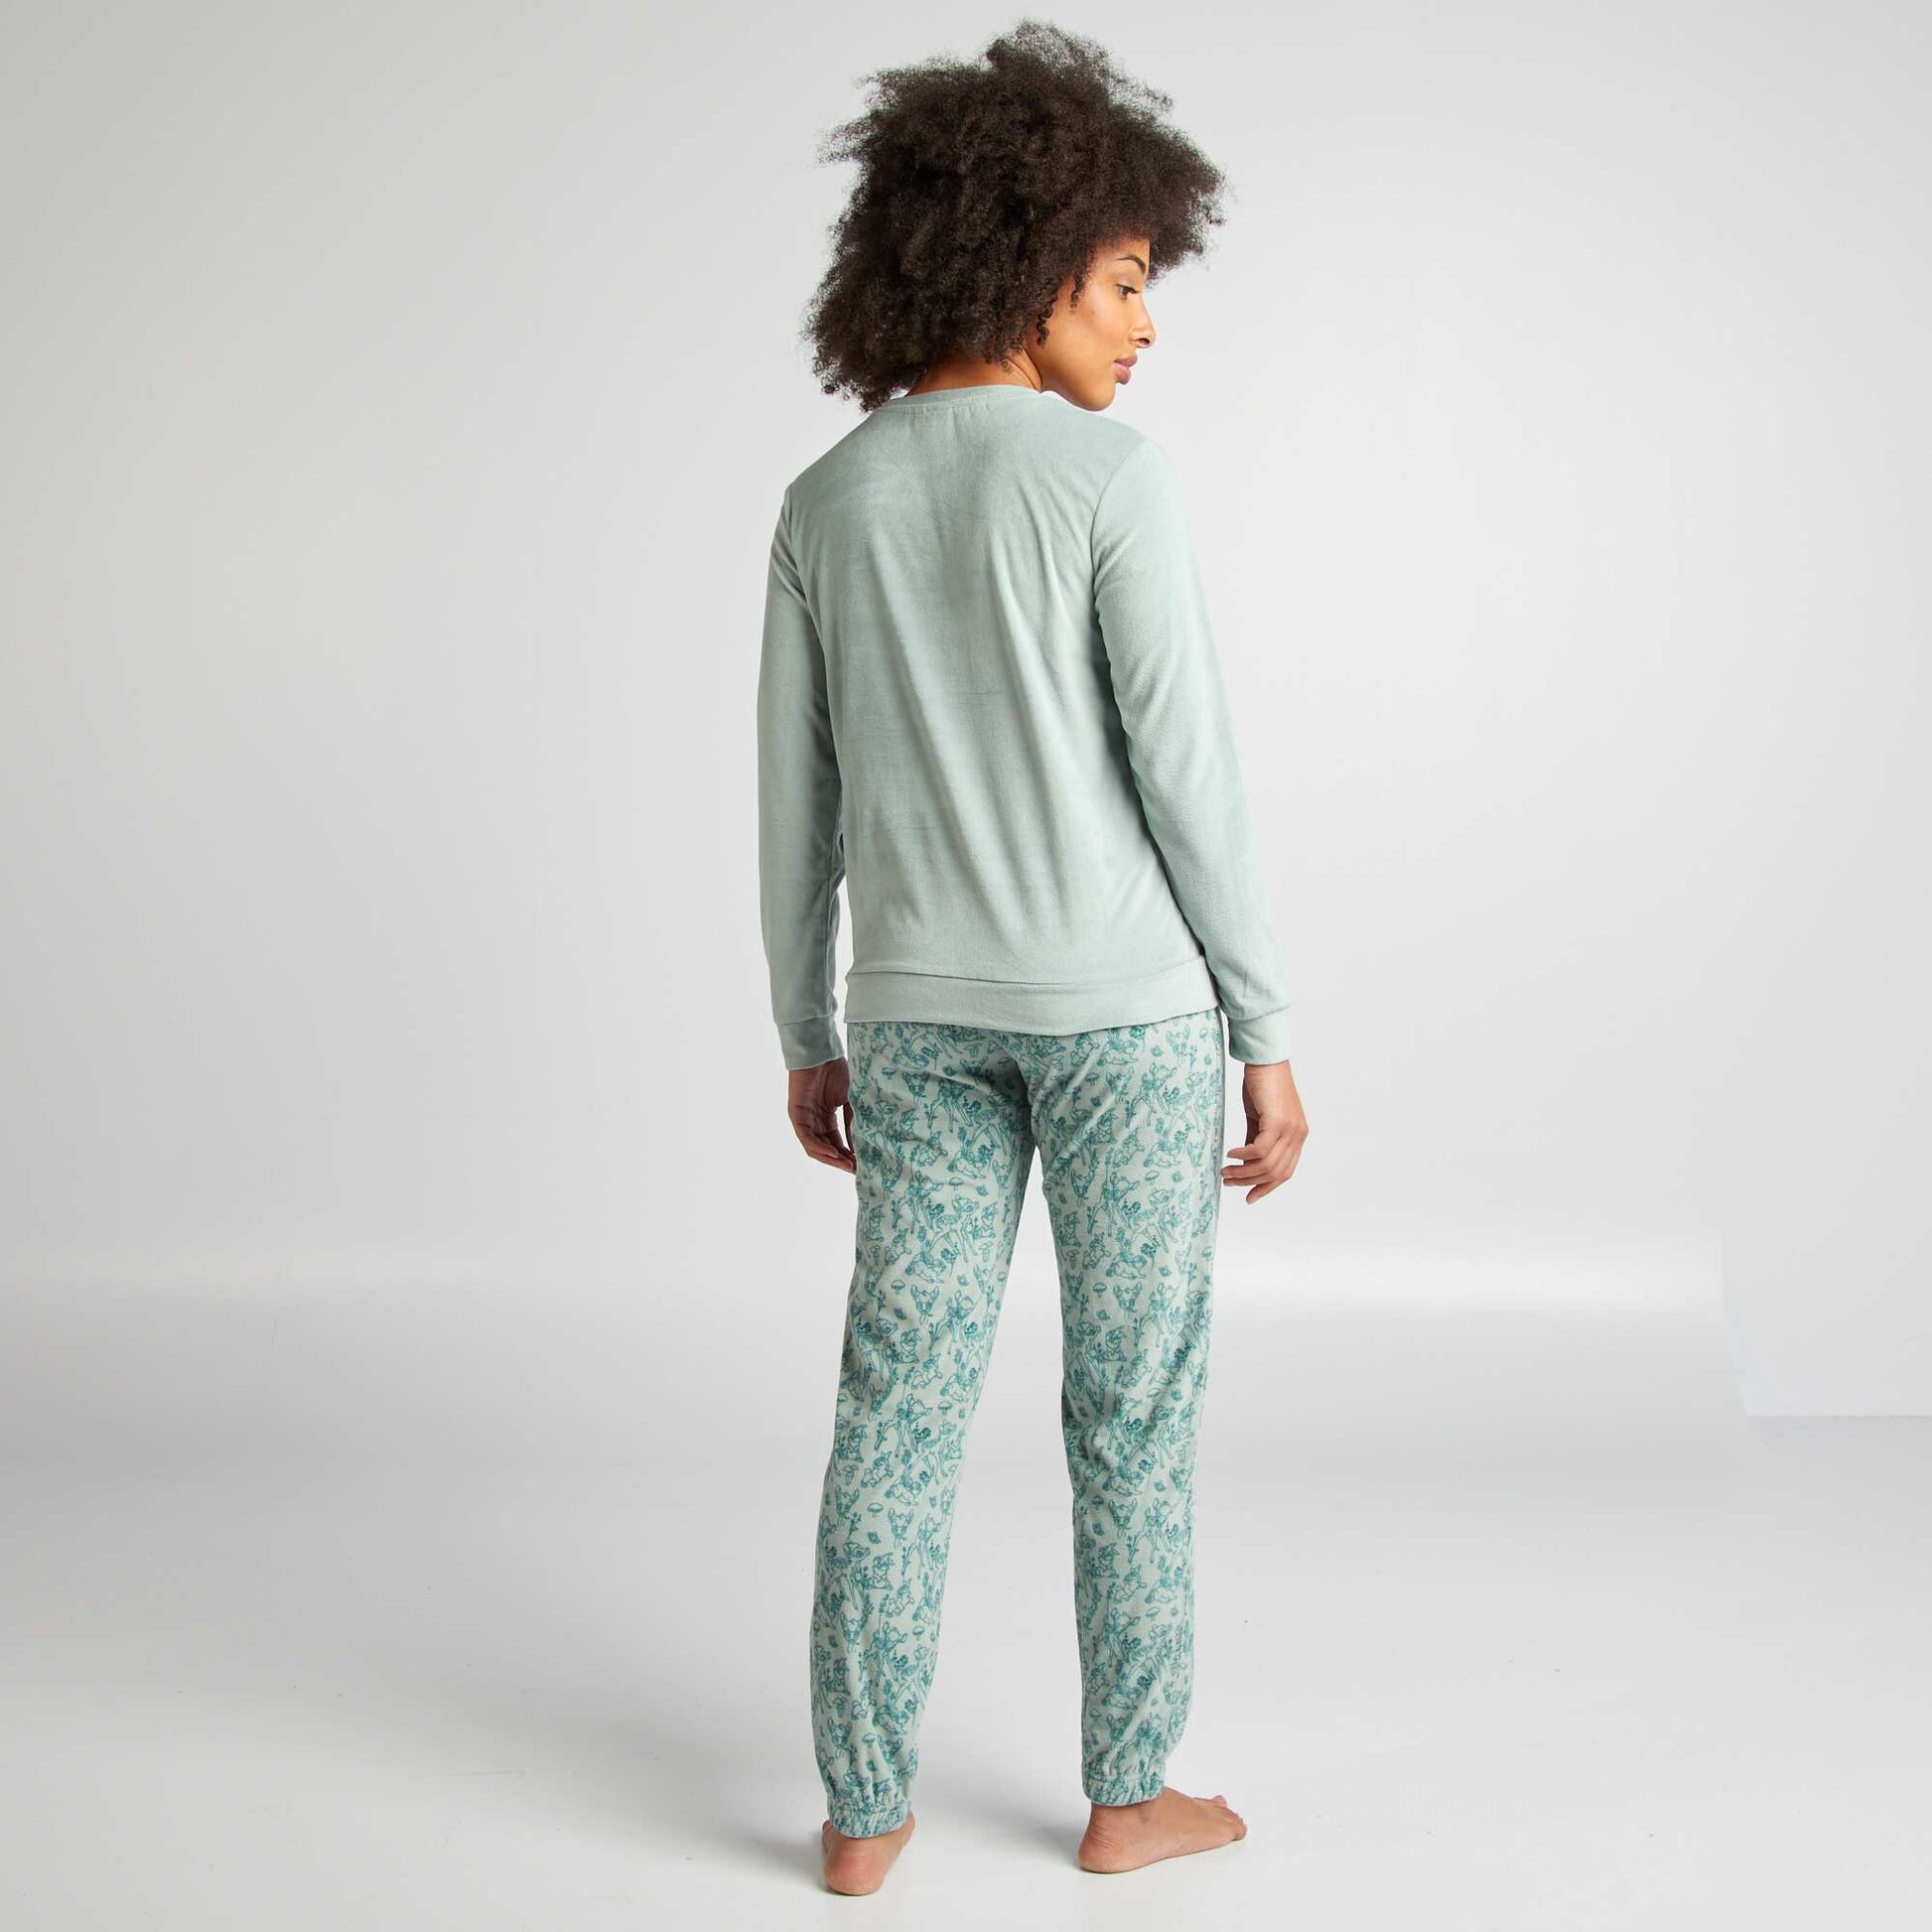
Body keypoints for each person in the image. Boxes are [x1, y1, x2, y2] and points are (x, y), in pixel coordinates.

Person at [755, 20, 1310, 1895]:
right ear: (1027, 264)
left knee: (893, 1413)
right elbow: (1191, 778)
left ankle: (860, 1815)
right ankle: (1126, 1792)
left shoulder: (824, 501)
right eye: (1126, 279)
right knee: (1129, 1410)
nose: (1142, 326)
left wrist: (805, 1025)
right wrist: (1265, 1024)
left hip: (912, 1024)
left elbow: (796, 806)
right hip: (1127, 1021)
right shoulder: (1107, 478)